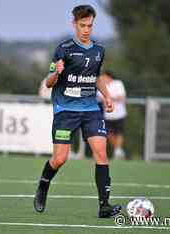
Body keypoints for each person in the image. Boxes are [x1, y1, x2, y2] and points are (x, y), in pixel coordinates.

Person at [33, 5, 121, 218]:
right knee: (60, 159)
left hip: (91, 109)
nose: (86, 30)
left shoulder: (99, 50)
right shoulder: (63, 49)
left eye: (89, 26)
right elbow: (49, 82)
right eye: (82, 25)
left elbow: (97, 77)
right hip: (66, 111)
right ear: (74, 24)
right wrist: (57, 73)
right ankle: (43, 185)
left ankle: (104, 206)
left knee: (101, 153)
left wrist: (107, 96)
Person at [98, 71, 127, 159]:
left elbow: (121, 97)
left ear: (108, 77)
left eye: (104, 77)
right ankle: (118, 150)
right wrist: (110, 98)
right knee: (108, 133)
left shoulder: (118, 83)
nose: (102, 78)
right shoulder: (101, 85)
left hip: (119, 114)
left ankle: (117, 151)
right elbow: (99, 98)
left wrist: (108, 98)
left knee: (119, 133)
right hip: (107, 115)